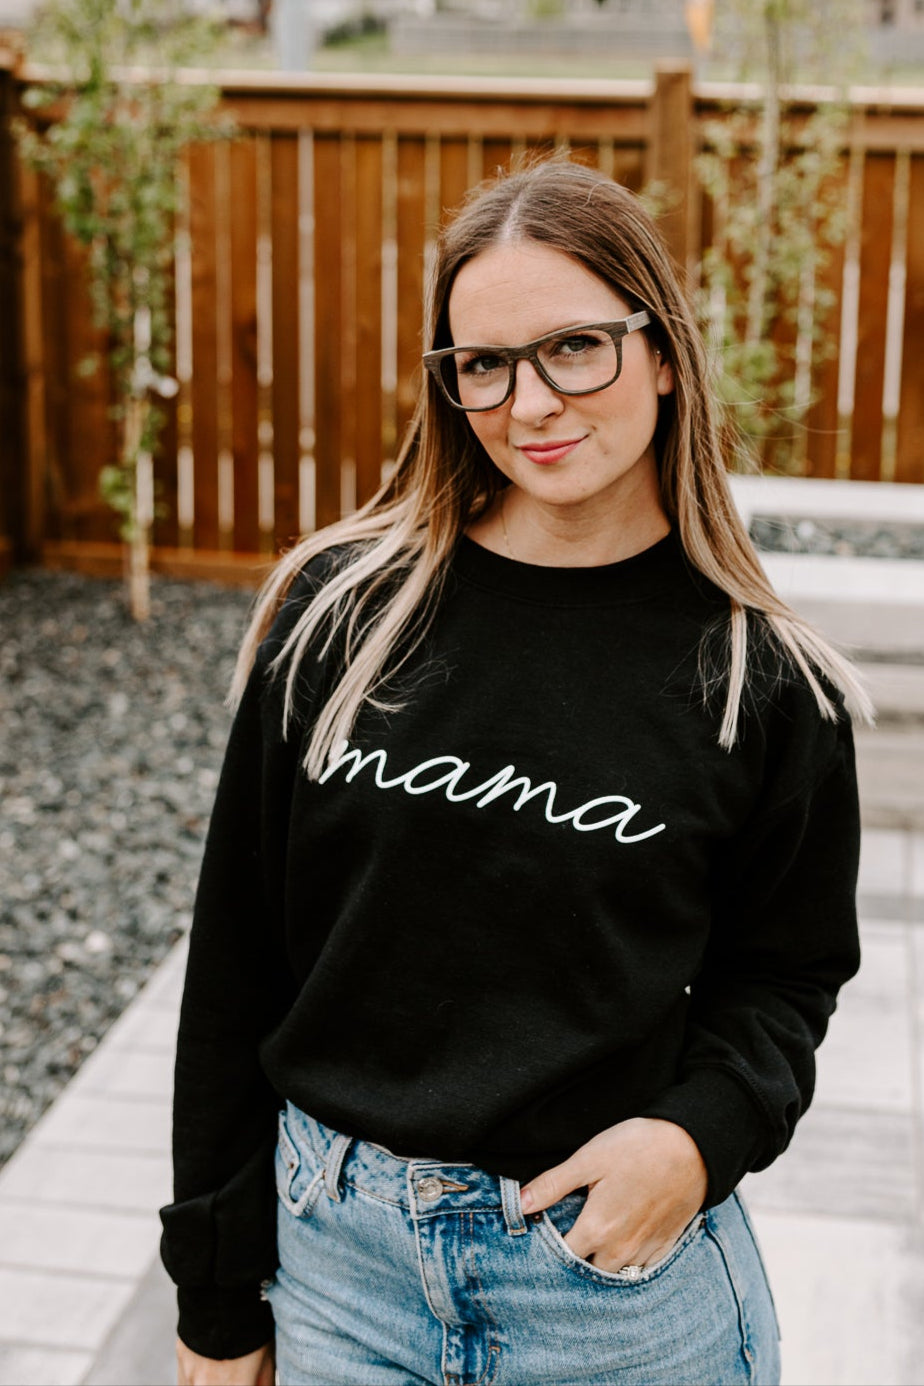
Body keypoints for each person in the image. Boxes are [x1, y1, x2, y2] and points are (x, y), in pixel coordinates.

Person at [160, 156, 870, 1386]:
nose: (529, 401)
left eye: (573, 348)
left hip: (613, 1296)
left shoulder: (764, 684)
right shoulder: (343, 620)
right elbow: (236, 969)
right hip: (342, 1275)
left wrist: (695, 1142)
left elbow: (787, 979)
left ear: (661, 351)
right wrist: (215, 1294)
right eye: (482, 364)